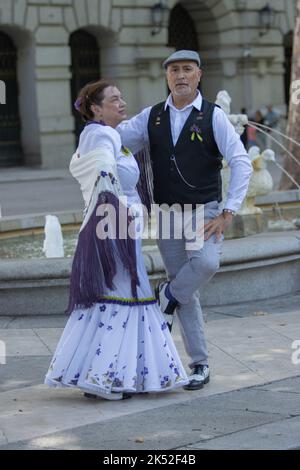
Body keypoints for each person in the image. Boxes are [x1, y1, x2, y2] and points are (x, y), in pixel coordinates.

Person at [44, 80, 189, 400]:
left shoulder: (105, 135)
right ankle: (106, 378)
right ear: (96, 109)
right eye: (113, 99)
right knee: (123, 295)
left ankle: (106, 374)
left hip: (113, 225)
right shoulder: (103, 134)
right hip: (114, 228)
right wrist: (123, 214)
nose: (121, 103)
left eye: (122, 97)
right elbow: (105, 176)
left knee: (115, 295)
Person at [117, 50, 253, 391]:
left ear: (198, 75)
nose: (180, 75)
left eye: (187, 70)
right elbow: (116, 142)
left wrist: (228, 212)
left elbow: (241, 161)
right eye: (174, 70)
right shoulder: (151, 117)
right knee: (186, 293)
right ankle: (200, 364)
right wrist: (93, 141)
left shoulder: (214, 116)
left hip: (203, 212)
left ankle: (166, 293)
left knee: (206, 264)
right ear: (166, 77)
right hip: (165, 214)